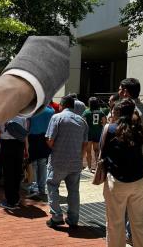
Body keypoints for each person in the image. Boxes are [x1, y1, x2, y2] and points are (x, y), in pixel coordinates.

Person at [101, 98, 143, 247]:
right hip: (139, 181)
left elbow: (103, 153)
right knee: (141, 226)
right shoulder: (140, 129)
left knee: (115, 224)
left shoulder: (110, 129)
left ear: (116, 112)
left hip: (116, 182)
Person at [118, 78, 143, 243]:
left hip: (132, 162)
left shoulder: (129, 111)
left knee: (127, 200)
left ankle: (130, 234)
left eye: (120, 89)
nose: (119, 92)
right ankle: (133, 233)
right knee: (138, 200)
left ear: (126, 91)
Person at [45, 95, 88, 228]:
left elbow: (50, 140)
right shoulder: (82, 121)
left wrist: (54, 147)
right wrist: (80, 158)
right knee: (74, 191)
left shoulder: (56, 118)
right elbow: (85, 144)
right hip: (75, 162)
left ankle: (57, 216)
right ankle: (73, 218)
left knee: (52, 186)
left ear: (62, 105)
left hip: (58, 161)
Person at [0, 116, 29, 210]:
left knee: (8, 173)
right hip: (19, 146)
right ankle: (16, 198)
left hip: (6, 146)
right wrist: (26, 149)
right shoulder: (23, 117)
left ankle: (10, 201)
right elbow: (25, 135)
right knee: (17, 172)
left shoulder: (1, 116)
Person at [26, 104, 54, 199]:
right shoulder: (51, 110)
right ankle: (42, 188)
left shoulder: (31, 109)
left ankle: (34, 188)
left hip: (32, 139)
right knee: (42, 164)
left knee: (33, 164)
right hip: (45, 138)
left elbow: (27, 126)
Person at [82, 97, 107, 172]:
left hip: (88, 133)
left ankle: (89, 168)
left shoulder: (86, 112)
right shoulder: (101, 112)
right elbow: (104, 122)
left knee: (88, 151)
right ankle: (97, 167)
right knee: (97, 151)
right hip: (97, 133)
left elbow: (83, 122)